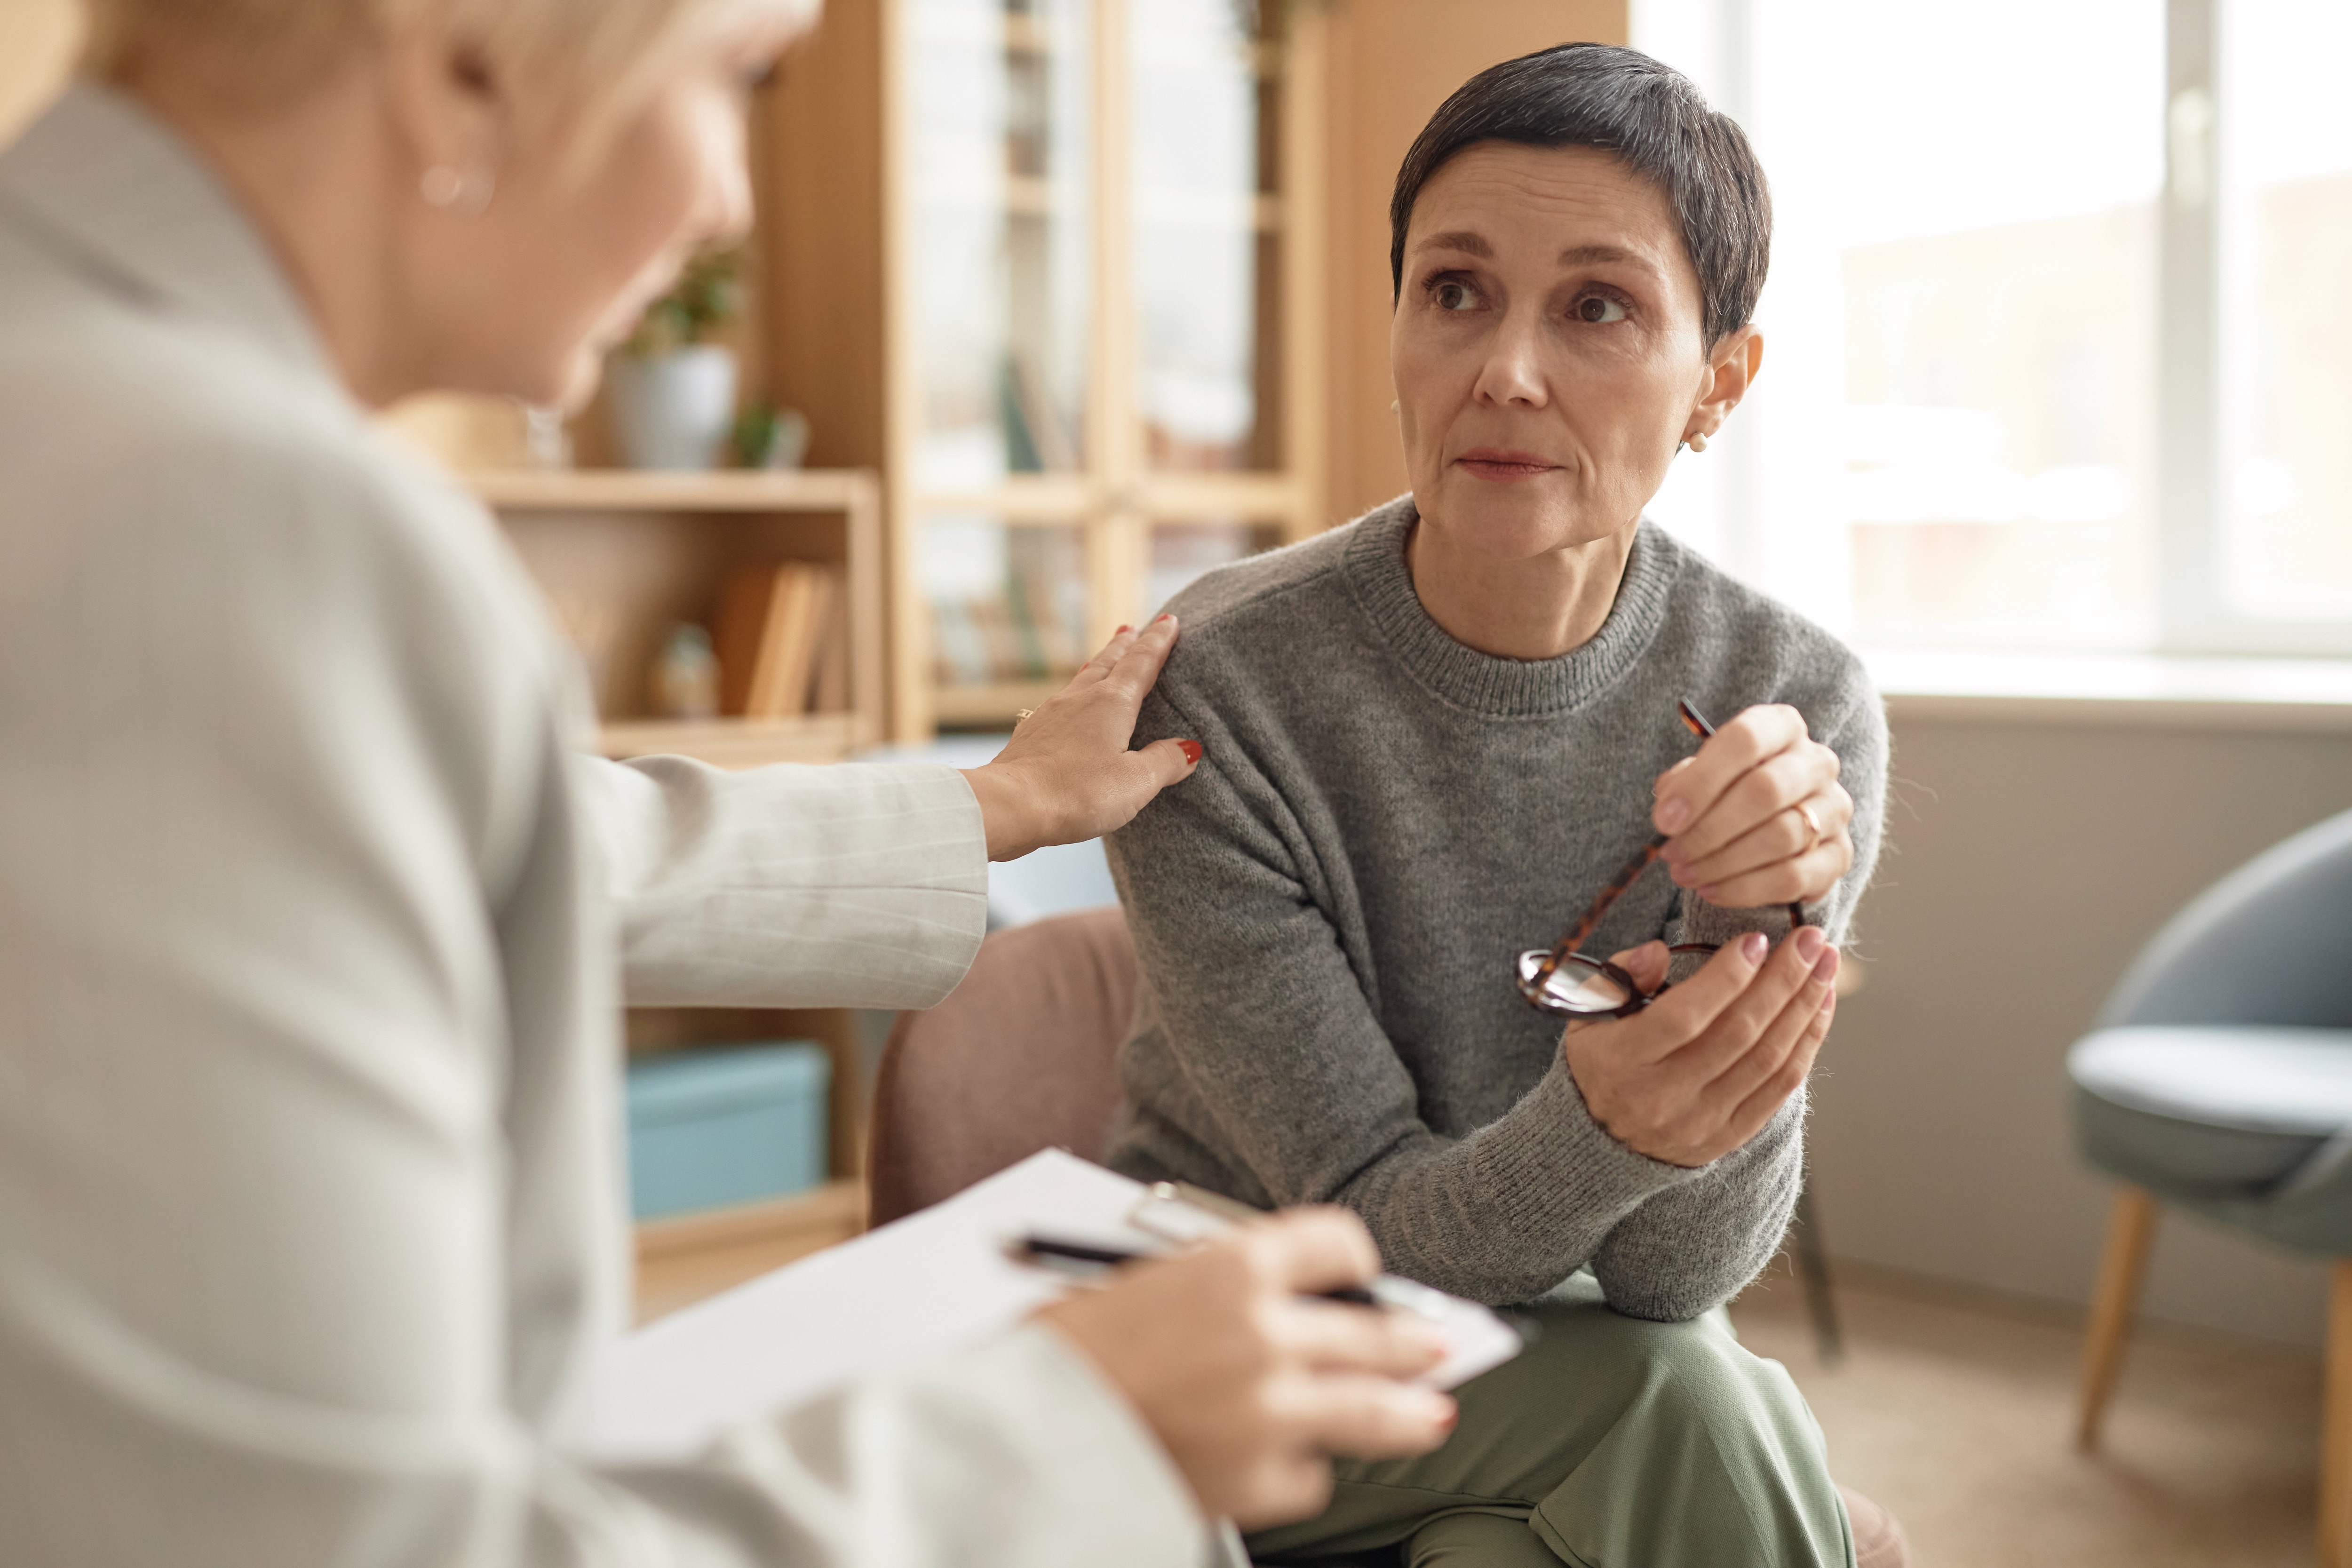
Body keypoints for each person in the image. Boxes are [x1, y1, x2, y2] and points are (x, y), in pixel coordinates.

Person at [0, 2, 1460, 1564]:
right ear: (465, 62)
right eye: (737, 78)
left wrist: (990, 809)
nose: (731, 203)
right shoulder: (244, 530)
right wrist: (1073, 1432)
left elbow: (547, 837)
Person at [1103, 43, 1904, 1568]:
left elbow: (1681, 1272)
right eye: (1454, 291)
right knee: (1690, 1404)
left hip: (1576, 1365)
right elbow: (1367, 1234)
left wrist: (1757, 915)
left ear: (1718, 384)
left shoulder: (1788, 705)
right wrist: (1609, 1122)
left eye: (1598, 306)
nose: (1505, 371)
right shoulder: (1215, 688)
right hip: (1250, 1353)